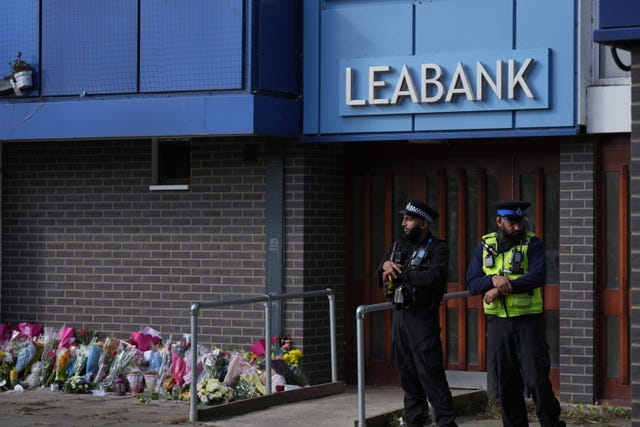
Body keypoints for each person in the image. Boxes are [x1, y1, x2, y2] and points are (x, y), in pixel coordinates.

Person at [466, 201, 565, 427]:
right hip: (498, 324)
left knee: (536, 380)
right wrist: (492, 279)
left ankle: (552, 423)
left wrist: (498, 288)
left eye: (521, 223)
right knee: (506, 383)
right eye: (512, 223)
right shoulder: (484, 245)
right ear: (499, 221)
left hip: (528, 322)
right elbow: (472, 283)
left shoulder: (533, 244)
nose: (518, 228)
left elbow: (537, 277)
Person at [377, 198, 458, 427]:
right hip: (400, 316)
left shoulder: (438, 247)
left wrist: (402, 274)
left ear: (423, 223)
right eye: (403, 218)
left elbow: (433, 277)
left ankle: (446, 423)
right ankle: (415, 422)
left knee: (430, 375)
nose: (403, 223)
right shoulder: (398, 245)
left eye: (409, 219)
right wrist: (385, 268)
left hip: (423, 318)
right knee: (408, 375)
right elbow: (380, 269)